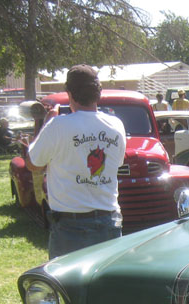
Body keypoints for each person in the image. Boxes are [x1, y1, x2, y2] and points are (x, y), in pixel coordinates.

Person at [26, 64, 127, 259]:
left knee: (66, 287)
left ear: (70, 93)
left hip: (70, 226)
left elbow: (33, 163)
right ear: (98, 92)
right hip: (109, 220)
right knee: (106, 285)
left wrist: (46, 122)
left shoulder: (58, 125)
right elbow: (118, 162)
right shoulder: (116, 124)